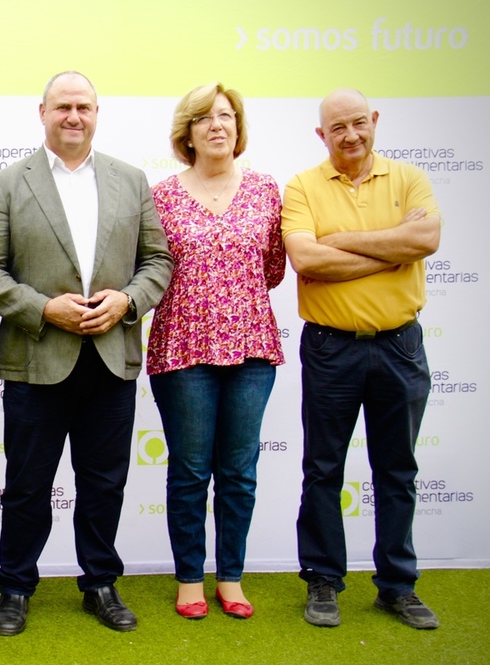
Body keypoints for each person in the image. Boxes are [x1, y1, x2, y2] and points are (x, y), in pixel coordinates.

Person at [0, 71, 174, 636]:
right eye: (63, 107)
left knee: (104, 482)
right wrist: (40, 309)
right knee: (28, 484)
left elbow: (158, 261)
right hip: (38, 360)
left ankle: (100, 584)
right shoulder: (7, 184)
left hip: (111, 358)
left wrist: (128, 301)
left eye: (83, 106)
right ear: (42, 112)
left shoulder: (130, 180)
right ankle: (14, 588)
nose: (73, 116)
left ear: (97, 112)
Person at [282, 89, 441, 630]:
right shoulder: (303, 185)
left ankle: (398, 586)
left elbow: (426, 237)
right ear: (321, 135)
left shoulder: (409, 179)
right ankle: (323, 581)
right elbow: (306, 256)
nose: (350, 135)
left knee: (396, 469)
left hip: (400, 344)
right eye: (337, 128)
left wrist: (343, 245)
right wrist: (390, 249)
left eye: (358, 123)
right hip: (331, 347)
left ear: (373, 121)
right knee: (323, 468)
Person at [146, 83, 285, 621]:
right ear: (188, 132)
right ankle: (188, 577)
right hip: (183, 351)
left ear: (238, 127)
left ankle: (230, 576)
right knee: (189, 470)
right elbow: (153, 270)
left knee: (240, 471)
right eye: (204, 118)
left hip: (252, 348)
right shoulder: (161, 195)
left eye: (226, 116)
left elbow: (272, 268)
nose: (217, 125)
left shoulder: (267, 190)